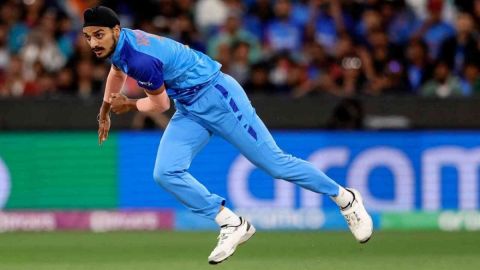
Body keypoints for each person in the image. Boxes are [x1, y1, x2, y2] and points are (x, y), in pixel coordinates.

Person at [82, 6, 373, 265]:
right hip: (190, 107)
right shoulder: (123, 44)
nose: (93, 43)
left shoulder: (140, 58)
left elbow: (159, 105)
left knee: (275, 163)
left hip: (218, 98)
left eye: (98, 35)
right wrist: (106, 108)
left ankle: (345, 198)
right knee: (165, 172)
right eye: (88, 37)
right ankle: (231, 223)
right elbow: (117, 72)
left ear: (116, 31)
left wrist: (129, 105)